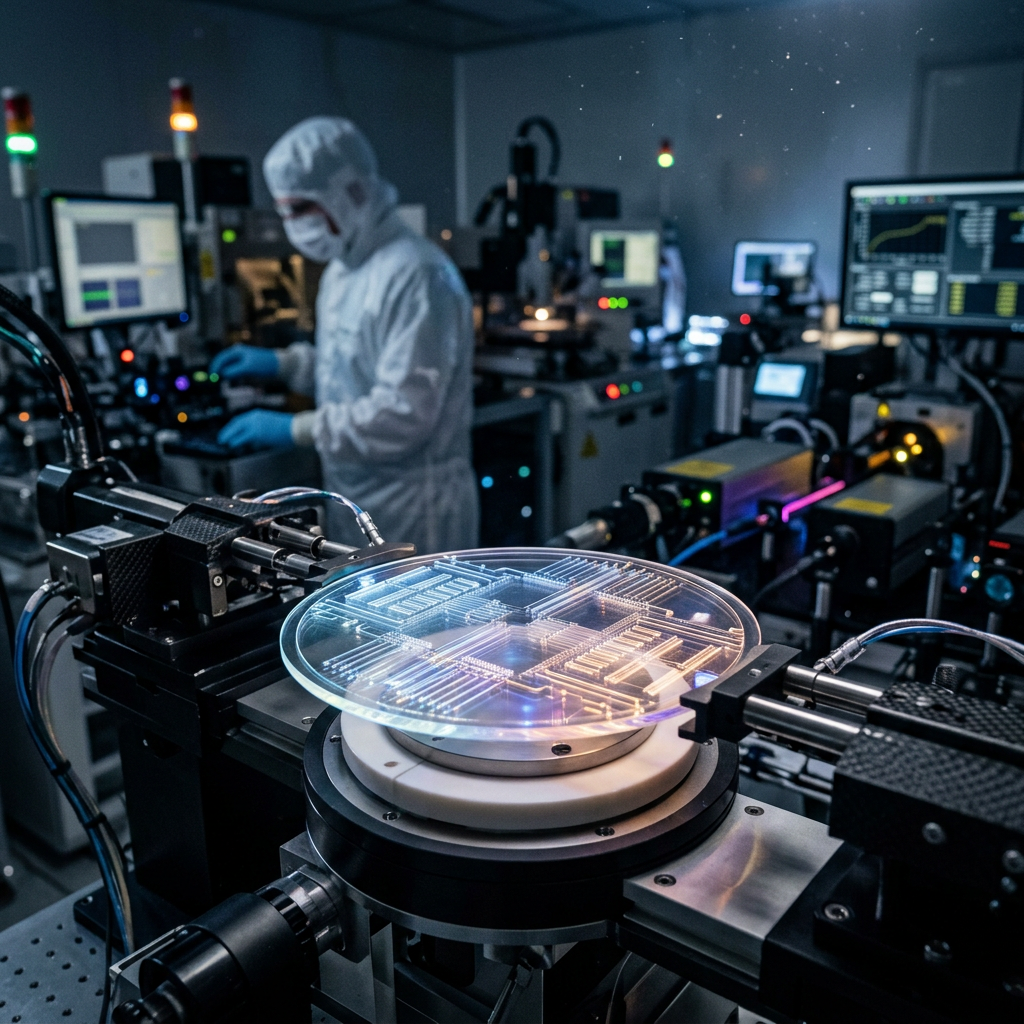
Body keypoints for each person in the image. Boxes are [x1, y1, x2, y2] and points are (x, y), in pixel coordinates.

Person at [212, 117, 478, 554]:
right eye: (283, 212)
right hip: (354, 495)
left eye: (299, 209)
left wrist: (296, 428)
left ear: (348, 193)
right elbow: (348, 365)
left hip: (414, 506)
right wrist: (284, 365)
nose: (291, 224)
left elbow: (404, 414)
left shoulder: (416, 273)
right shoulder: (343, 268)